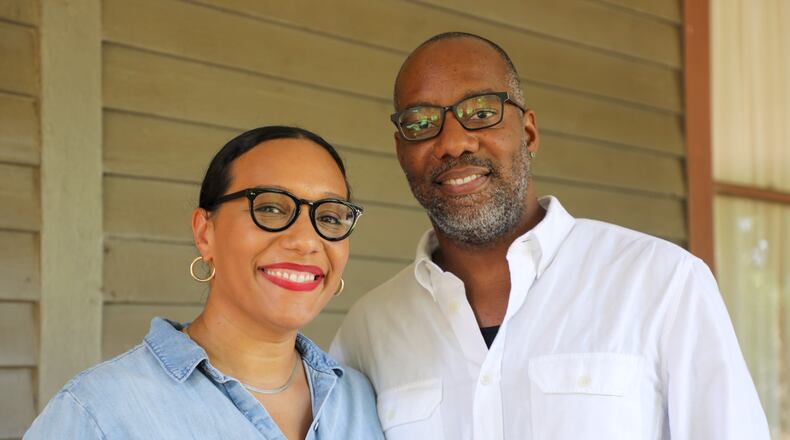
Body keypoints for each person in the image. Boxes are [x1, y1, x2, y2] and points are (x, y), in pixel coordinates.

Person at [330, 32, 770, 439]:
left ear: (528, 133)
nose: (453, 143)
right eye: (421, 123)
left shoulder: (663, 283)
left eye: (481, 113)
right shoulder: (368, 333)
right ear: (401, 151)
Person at [26, 126, 384, 439]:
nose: (306, 241)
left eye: (330, 216)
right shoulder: (98, 411)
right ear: (205, 233)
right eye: (271, 208)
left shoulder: (361, 401)